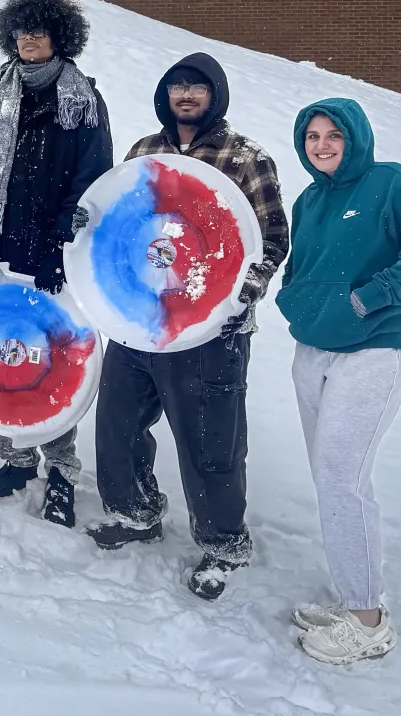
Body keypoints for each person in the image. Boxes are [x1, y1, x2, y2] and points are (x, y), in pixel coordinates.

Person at [83, 53, 290, 601]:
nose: (186, 95)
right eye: (177, 86)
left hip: (210, 329)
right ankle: (137, 512)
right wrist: (88, 221)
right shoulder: (143, 154)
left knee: (211, 442)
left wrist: (247, 289)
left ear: (214, 95)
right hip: (139, 322)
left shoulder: (245, 158)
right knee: (117, 428)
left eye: (197, 87)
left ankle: (224, 543)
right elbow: (120, 225)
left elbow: (272, 238)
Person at [278, 98, 401, 663]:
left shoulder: (391, 183)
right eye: (312, 137)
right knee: (337, 481)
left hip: (373, 350)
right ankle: (357, 597)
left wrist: (367, 298)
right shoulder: (307, 200)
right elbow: (298, 269)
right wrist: (293, 304)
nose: (322, 146)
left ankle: (369, 623)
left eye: (334, 136)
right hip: (313, 352)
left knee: (339, 479)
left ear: (356, 138)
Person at [0, 0, 113, 527]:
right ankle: (15, 463)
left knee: (53, 362)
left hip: (54, 260)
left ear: (60, 37)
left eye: (39, 31)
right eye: (20, 32)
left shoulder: (84, 101)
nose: (29, 40)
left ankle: (62, 472)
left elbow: (91, 179)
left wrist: (60, 247)